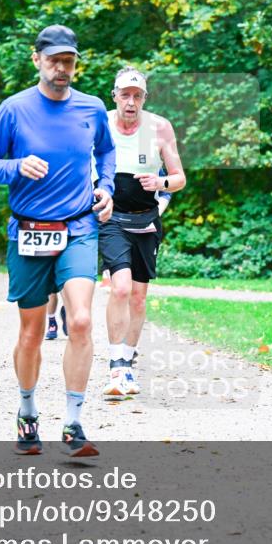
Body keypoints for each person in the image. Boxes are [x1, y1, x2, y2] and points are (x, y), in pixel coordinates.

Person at [0, 24, 114, 458]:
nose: (61, 69)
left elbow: (106, 152)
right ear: (36, 60)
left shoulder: (92, 109)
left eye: (68, 61)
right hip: (29, 230)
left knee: (83, 321)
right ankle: (28, 412)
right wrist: (15, 167)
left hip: (79, 227)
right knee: (32, 331)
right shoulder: (14, 110)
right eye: (53, 61)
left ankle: (73, 423)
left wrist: (106, 186)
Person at [99, 67, 185, 397]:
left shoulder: (160, 127)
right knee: (119, 289)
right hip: (112, 217)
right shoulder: (101, 123)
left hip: (146, 219)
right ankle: (115, 368)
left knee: (137, 296)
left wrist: (161, 182)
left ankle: (127, 362)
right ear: (115, 96)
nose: (131, 102)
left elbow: (179, 178)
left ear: (144, 98)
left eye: (137, 95)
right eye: (125, 95)